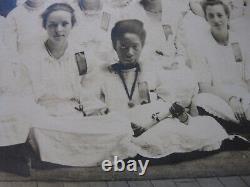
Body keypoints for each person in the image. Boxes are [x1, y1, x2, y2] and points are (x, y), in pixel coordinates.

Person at [20, 3, 134, 167]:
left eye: (64, 24)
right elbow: (27, 97)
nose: (59, 30)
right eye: (52, 25)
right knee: (38, 130)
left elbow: (88, 91)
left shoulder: (81, 56)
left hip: (76, 115)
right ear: (45, 26)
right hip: (46, 117)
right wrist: (42, 115)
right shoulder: (31, 57)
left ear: (72, 25)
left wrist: (93, 109)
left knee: (120, 124)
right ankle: (71, 153)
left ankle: (67, 154)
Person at [99, 19, 229, 159]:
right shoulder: (105, 74)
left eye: (135, 47)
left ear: (142, 46)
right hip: (120, 123)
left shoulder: (150, 70)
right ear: (115, 46)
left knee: (181, 130)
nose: (129, 53)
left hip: (151, 121)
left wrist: (171, 114)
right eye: (123, 47)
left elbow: (163, 103)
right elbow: (100, 108)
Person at [187, 0, 250, 128]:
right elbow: (205, 87)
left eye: (220, 15)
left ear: (227, 16)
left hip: (244, 96)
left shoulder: (241, 40)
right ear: (206, 18)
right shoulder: (199, 46)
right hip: (220, 98)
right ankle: (240, 124)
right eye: (211, 16)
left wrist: (243, 99)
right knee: (200, 101)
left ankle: (236, 124)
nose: (216, 20)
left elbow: (248, 79)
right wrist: (230, 99)